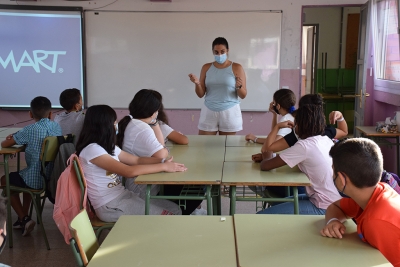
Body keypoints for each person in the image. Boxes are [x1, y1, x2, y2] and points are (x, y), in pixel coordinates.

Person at [76, 105, 186, 221]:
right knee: (169, 217)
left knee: (175, 209)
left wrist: (162, 161)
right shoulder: (92, 150)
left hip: (122, 196)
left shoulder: (107, 147)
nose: (116, 125)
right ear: (105, 125)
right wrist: (163, 167)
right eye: (114, 122)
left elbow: (136, 160)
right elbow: (128, 171)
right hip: (110, 205)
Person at [117, 89, 202, 215]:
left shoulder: (135, 123)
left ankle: (188, 213)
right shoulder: (142, 128)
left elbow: (161, 148)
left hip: (147, 177)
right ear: (153, 111)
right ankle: (181, 216)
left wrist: (155, 122)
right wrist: (163, 148)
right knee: (196, 185)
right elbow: (162, 153)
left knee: (187, 180)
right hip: (142, 186)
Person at [320, 138, 400, 266]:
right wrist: (333, 221)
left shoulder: (378, 222)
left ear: (342, 179)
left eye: (333, 171)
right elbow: (335, 206)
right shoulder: (372, 194)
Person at [257, 104, 341, 215]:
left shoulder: (304, 146)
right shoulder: (325, 140)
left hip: (324, 206)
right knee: (278, 204)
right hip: (334, 200)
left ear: (299, 125)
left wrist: (266, 156)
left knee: (261, 216)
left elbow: (265, 166)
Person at [0, 96, 62, 236]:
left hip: (35, 178)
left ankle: (23, 218)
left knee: (5, 180)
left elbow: (5, 145)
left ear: (30, 114)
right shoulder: (57, 127)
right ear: (51, 114)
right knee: (22, 176)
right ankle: (24, 217)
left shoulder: (29, 129)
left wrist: (11, 137)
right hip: (50, 177)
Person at [188, 37, 247, 136]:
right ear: (213, 52)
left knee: (227, 148)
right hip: (209, 110)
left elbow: (243, 95)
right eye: (216, 52)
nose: (219, 55)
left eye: (222, 51)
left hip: (230, 111)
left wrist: (239, 87)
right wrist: (197, 84)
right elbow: (200, 94)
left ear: (228, 50)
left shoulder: (237, 67)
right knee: (204, 146)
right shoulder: (206, 67)